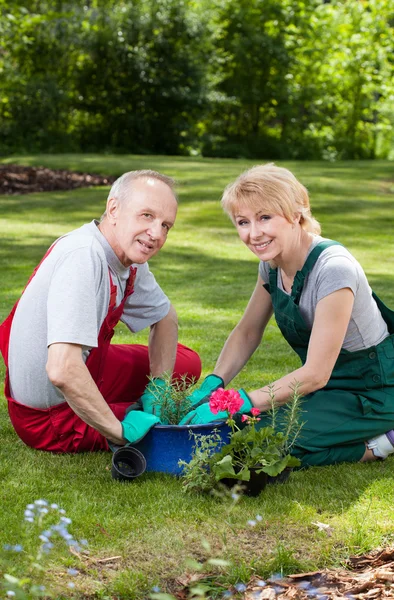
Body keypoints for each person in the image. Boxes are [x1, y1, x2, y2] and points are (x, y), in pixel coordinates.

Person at [148, 163, 394, 468]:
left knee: (258, 442)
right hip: (329, 387)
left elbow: (316, 373)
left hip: (375, 390)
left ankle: (381, 443)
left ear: (296, 213)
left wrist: (240, 401)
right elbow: (248, 332)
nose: (254, 234)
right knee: (241, 429)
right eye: (243, 222)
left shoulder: (333, 269)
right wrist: (214, 383)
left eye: (265, 217)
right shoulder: (272, 264)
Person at [0, 169, 201, 453]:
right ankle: (119, 413)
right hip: (51, 419)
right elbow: (62, 370)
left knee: (187, 363)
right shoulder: (83, 257)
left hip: (86, 367)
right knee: (161, 427)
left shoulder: (127, 256)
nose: (156, 234)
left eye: (166, 225)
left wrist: (159, 391)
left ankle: (137, 403)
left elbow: (165, 318)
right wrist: (119, 432)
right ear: (114, 208)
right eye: (147, 216)